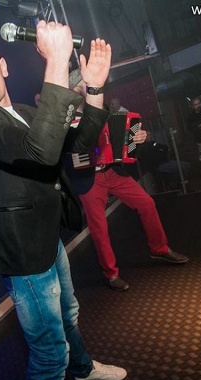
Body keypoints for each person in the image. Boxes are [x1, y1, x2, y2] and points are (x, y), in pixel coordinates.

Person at [0, 22, 126, 380]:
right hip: (24, 256)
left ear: (3, 66)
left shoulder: (27, 112)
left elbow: (78, 145)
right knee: (49, 355)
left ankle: (83, 371)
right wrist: (57, 60)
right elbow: (40, 151)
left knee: (68, 314)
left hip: (47, 240)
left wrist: (94, 89)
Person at [67, 68, 189, 293]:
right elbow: (64, 154)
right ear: (75, 89)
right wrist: (76, 156)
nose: (93, 84)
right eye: (86, 83)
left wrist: (137, 138)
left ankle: (159, 249)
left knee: (147, 203)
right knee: (99, 227)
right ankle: (111, 273)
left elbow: (126, 145)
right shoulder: (67, 118)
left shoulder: (106, 110)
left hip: (113, 172)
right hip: (89, 177)